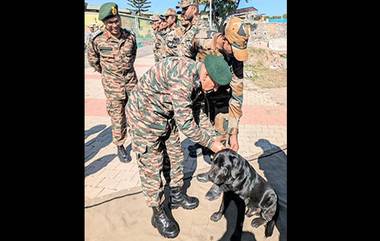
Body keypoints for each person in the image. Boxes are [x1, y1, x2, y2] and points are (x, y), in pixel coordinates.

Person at [126, 55, 231, 238]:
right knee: (152, 167)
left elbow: (199, 114)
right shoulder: (182, 79)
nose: (214, 90)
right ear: (205, 74)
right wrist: (210, 144)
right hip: (143, 117)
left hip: (165, 115)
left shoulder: (198, 80)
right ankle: (157, 212)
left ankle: (176, 195)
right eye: (214, 85)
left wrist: (216, 139)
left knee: (176, 156)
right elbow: (187, 125)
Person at [195, 16, 250, 197]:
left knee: (223, 136)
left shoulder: (236, 60)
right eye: (233, 48)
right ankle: (213, 171)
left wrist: (234, 133)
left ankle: (220, 182)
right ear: (224, 39)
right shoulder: (202, 38)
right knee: (206, 134)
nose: (235, 54)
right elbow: (185, 57)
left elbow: (236, 99)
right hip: (202, 99)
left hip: (221, 102)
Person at [87, 2, 137, 163]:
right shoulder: (97, 40)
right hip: (112, 86)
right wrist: (109, 75)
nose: (114, 25)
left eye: (117, 21)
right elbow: (94, 61)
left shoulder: (130, 37)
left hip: (131, 83)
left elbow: (133, 56)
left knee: (136, 113)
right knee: (117, 117)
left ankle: (138, 142)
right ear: (104, 23)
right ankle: (120, 145)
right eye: (110, 22)